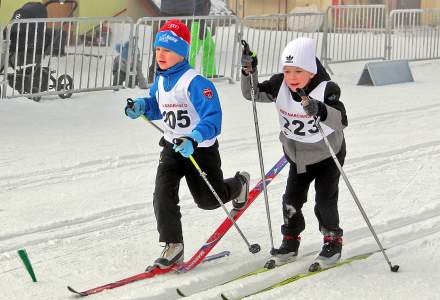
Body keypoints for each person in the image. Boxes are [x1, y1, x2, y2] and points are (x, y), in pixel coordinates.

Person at [125, 19, 250, 269]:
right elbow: (156, 106)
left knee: (208, 200)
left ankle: (238, 186)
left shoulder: (196, 82)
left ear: (182, 53)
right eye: (158, 49)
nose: (161, 54)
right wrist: (142, 106)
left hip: (200, 150)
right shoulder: (160, 81)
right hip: (172, 148)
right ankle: (173, 245)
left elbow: (213, 119)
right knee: (162, 193)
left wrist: (193, 137)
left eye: (168, 50)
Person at [240, 37, 347, 265]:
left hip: (328, 154)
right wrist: (249, 71)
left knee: (325, 201)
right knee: (291, 200)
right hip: (298, 157)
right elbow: (252, 93)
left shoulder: (327, 88)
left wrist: (320, 109)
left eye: (298, 71)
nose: (292, 78)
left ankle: (332, 240)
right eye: (288, 71)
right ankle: (290, 241)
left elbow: (342, 120)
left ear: (311, 71)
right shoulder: (280, 85)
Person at [189, 0, 218, 78]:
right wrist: (200, 25)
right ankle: (187, 74)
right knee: (192, 50)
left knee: (209, 47)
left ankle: (209, 72)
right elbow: (196, 9)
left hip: (202, 22)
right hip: (196, 23)